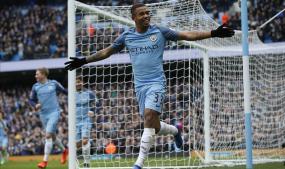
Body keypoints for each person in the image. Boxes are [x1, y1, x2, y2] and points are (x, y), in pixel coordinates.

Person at [65, 3, 234, 169]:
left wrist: (213, 33)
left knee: (148, 116)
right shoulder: (127, 36)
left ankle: (138, 164)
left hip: (157, 83)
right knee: (153, 124)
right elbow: (106, 52)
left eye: (148, 13)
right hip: (140, 87)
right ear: (134, 18)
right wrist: (84, 60)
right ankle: (175, 131)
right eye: (142, 14)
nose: (146, 15)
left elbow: (186, 35)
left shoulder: (160, 31)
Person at [29, 67, 68, 169]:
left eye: (37, 74)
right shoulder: (35, 86)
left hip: (54, 112)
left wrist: (75, 92)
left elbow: (64, 91)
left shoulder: (54, 83)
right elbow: (31, 100)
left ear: (43, 74)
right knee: (53, 136)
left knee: (47, 135)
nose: (35, 76)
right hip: (43, 115)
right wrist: (35, 105)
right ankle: (64, 151)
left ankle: (44, 161)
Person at [75, 77, 96, 168]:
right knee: (76, 144)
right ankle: (74, 164)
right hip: (75, 121)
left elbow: (97, 104)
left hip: (86, 120)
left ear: (83, 82)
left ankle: (86, 164)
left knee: (84, 140)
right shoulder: (71, 94)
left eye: (79, 82)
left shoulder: (89, 93)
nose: (78, 84)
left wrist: (93, 111)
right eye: (76, 82)